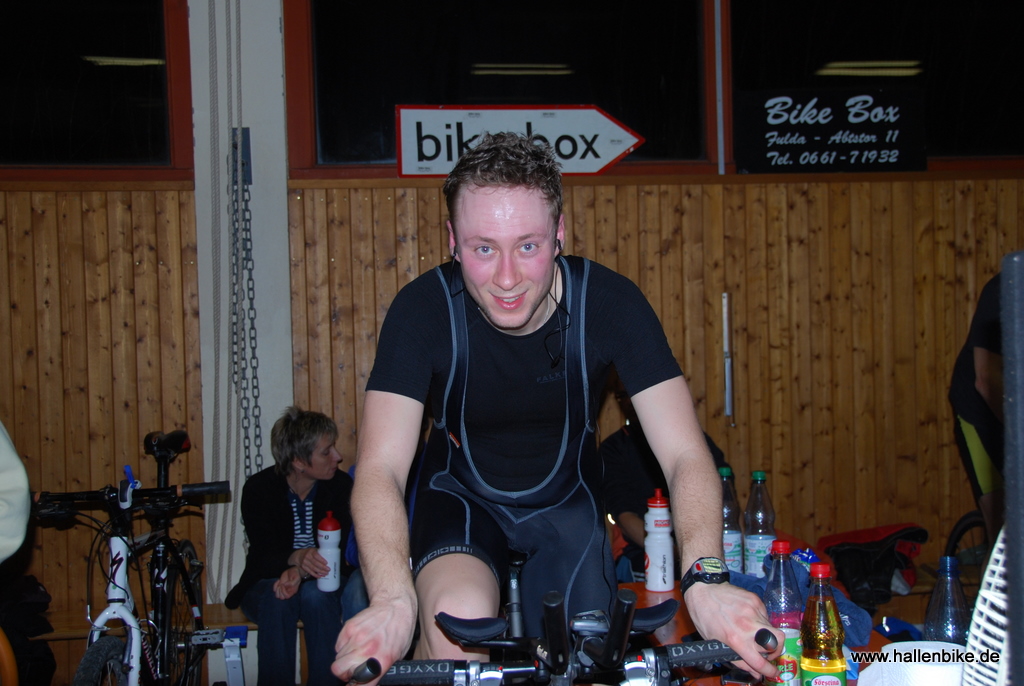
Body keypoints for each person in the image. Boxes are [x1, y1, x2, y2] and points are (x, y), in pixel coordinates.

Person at [332, 132, 781, 682]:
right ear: (452, 241)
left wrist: (705, 580)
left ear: (560, 233)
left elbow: (686, 454)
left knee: (590, 658)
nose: (507, 278)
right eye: (483, 249)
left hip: (568, 511)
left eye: (528, 246)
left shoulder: (612, 305)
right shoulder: (421, 311)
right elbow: (379, 468)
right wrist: (392, 598)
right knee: (458, 632)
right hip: (460, 504)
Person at [225, 406, 353, 686]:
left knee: (316, 596)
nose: (337, 456)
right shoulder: (259, 489)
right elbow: (262, 556)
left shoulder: (342, 486)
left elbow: (344, 552)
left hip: (327, 582)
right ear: (298, 461)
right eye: (326, 452)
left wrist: (302, 570)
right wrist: (296, 558)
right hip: (266, 582)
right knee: (278, 597)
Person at [600, 380, 730, 582]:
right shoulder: (614, 448)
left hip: (702, 546)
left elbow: (727, 497)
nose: (629, 401)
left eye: (633, 393)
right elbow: (625, 518)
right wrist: (676, 553)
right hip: (641, 551)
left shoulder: (692, 442)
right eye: (622, 396)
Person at [949, 273, 1005, 541]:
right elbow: (985, 380)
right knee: (1003, 529)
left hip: (1012, 408)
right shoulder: (1002, 290)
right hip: (980, 413)